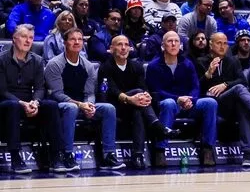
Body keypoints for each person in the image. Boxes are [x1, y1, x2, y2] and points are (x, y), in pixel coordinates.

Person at [44, 28, 125, 170]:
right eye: (72, 39)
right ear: (65, 42)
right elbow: (57, 94)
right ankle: (67, 154)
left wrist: (90, 105)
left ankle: (108, 155)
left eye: (80, 39)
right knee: (71, 107)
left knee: (108, 108)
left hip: (82, 105)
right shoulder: (54, 64)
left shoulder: (88, 65)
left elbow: (90, 92)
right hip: (60, 106)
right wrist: (80, 105)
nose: (76, 42)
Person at [199, 32, 250, 168]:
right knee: (239, 91)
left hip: (228, 103)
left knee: (242, 102)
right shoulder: (201, 61)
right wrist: (208, 74)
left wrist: (225, 85)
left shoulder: (232, 61)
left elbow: (243, 81)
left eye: (225, 43)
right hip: (211, 104)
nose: (222, 46)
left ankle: (248, 154)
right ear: (211, 44)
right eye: (219, 43)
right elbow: (198, 87)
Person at [97, 34, 175, 170]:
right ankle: (157, 125)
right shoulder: (105, 67)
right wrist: (130, 98)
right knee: (136, 93)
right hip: (114, 106)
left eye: (126, 45)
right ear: (111, 49)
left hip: (134, 105)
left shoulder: (137, 66)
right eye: (119, 45)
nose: (123, 48)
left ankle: (138, 155)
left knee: (138, 108)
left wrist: (147, 96)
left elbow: (144, 87)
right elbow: (111, 91)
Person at [0, 24, 68, 173]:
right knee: (13, 106)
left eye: (31, 38)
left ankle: (56, 156)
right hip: (7, 103)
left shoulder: (37, 60)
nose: (28, 41)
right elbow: (2, 90)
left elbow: (40, 88)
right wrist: (22, 103)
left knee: (51, 105)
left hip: (30, 102)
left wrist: (35, 102)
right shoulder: (2, 60)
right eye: (24, 37)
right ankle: (15, 158)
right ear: (14, 39)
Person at [145, 30, 219, 167]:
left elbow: (195, 86)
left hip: (188, 103)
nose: (173, 44)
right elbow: (156, 92)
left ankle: (207, 148)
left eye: (176, 41)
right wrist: (178, 98)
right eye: (170, 41)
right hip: (167, 103)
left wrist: (191, 99)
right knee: (168, 103)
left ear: (180, 45)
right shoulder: (153, 66)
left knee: (210, 102)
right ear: (163, 45)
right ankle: (160, 150)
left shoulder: (188, 63)